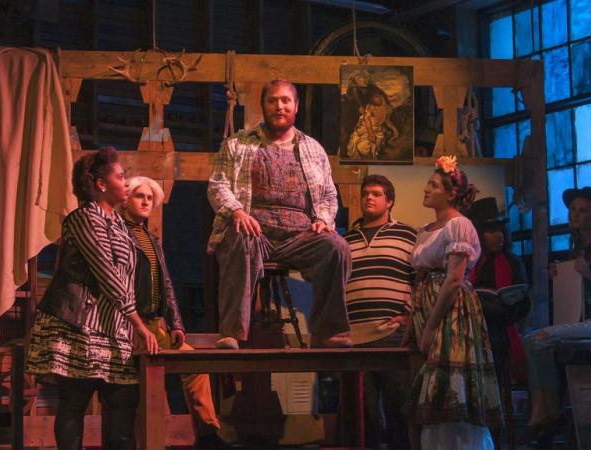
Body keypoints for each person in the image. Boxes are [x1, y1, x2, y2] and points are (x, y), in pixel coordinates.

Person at [26, 148, 159, 450]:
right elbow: (107, 273)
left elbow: (127, 276)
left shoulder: (122, 226)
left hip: (115, 329)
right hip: (80, 327)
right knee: (74, 401)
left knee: (123, 404)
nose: (126, 182)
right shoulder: (84, 218)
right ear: (101, 184)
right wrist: (138, 323)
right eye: (120, 176)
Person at [207, 78, 351, 350]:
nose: (279, 106)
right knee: (239, 237)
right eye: (272, 100)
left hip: (300, 236)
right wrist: (237, 211)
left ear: (296, 106)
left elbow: (329, 195)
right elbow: (217, 186)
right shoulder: (238, 144)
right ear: (263, 106)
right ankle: (232, 332)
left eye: (285, 100)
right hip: (255, 231)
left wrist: (322, 219)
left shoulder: (313, 149)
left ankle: (327, 331)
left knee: (336, 247)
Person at [122, 176, 226, 449]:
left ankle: (207, 435)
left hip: (158, 325)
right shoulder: (118, 233)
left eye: (149, 198)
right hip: (132, 325)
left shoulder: (151, 239)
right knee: (146, 381)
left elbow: (166, 282)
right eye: (139, 196)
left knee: (194, 365)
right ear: (126, 199)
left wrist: (176, 324)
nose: (145, 202)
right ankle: (148, 441)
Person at [523, 187, 591, 441]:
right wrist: (561, 275)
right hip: (587, 318)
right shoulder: (579, 248)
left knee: (538, 338)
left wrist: (589, 274)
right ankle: (546, 407)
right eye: (572, 209)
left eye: (582, 210)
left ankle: (546, 410)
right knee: (533, 339)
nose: (575, 215)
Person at [407, 156, 502, 450]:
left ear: (451, 194)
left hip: (451, 313)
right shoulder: (424, 229)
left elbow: (452, 280)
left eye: (433, 185)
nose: (425, 189)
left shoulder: (459, 226)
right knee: (429, 390)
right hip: (426, 306)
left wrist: (430, 328)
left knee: (448, 382)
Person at [342, 174, 415, 449]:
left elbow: (420, 277)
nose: (368, 198)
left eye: (375, 193)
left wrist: (409, 316)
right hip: (354, 336)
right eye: (365, 194)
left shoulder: (408, 235)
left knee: (399, 406)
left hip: (392, 334)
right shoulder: (345, 239)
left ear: (390, 201)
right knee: (365, 413)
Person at [467, 197, 530, 384]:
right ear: (479, 235)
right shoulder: (470, 263)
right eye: (492, 231)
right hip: (473, 326)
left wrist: (503, 309)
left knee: (496, 342)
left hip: (501, 326)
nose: (500, 235)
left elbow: (524, 303)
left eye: (501, 230)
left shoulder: (513, 262)